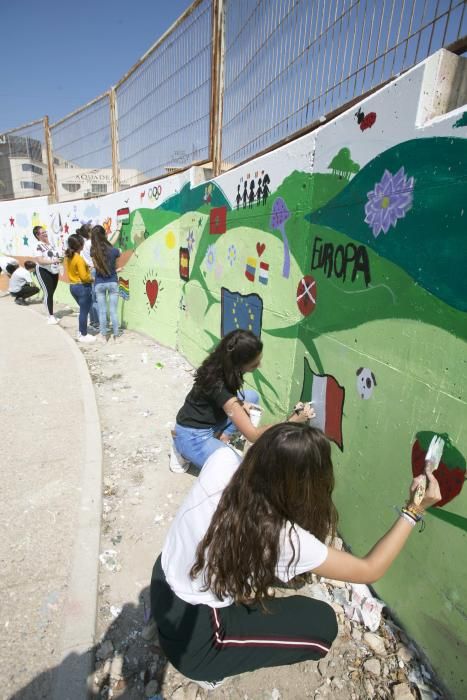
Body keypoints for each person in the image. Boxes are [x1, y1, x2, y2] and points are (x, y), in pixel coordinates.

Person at [150, 423, 441, 689]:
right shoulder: (283, 537)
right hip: (199, 643)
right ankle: (215, 668)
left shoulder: (223, 460)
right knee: (322, 624)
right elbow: (369, 569)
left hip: (163, 579)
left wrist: (292, 426)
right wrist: (414, 508)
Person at [172, 329, 313, 472]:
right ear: (238, 364)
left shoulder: (220, 364)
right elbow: (252, 435)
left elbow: (222, 399)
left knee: (251, 397)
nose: (260, 366)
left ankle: (223, 438)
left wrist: (241, 404)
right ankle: (181, 451)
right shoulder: (219, 388)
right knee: (240, 471)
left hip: (207, 421)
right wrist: (293, 421)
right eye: (254, 364)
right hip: (193, 436)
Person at [90, 225, 121, 343]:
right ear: (105, 235)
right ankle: (116, 336)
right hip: (113, 281)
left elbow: (96, 268)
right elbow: (116, 267)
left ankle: (103, 336)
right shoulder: (115, 250)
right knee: (113, 311)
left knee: (102, 311)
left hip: (99, 283)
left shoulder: (93, 251)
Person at [64, 234, 95, 344]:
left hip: (73, 286)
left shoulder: (69, 257)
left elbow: (75, 271)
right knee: (84, 312)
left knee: (83, 310)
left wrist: (86, 268)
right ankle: (83, 334)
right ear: (80, 245)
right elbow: (84, 277)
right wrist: (92, 278)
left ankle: (82, 332)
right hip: (82, 287)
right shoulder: (79, 259)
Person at [33, 225, 61, 324]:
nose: (45, 233)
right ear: (37, 235)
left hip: (54, 271)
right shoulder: (38, 245)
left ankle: (50, 313)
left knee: (51, 293)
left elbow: (56, 256)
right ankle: (50, 316)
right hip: (43, 271)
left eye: (45, 232)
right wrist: (53, 261)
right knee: (48, 293)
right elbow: (40, 260)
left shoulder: (50, 244)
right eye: (42, 232)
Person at [76, 223, 99, 329]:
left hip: (88, 271)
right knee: (95, 298)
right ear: (89, 232)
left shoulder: (85, 243)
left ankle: (93, 321)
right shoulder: (92, 243)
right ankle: (97, 322)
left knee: (91, 298)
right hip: (93, 270)